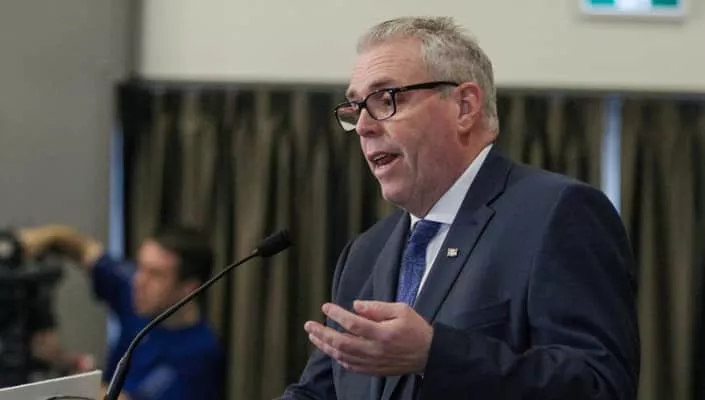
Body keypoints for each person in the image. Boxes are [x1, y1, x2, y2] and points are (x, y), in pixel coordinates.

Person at [280, 16, 640, 400]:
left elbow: (600, 385)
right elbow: (319, 393)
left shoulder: (557, 214)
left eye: (386, 99)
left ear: (464, 107)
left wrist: (434, 354)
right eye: (356, 108)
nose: (364, 127)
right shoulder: (366, 253)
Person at [18, 224, 225, 400]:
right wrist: (51, 236)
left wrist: (73, 381)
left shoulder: (198, 354)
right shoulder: (139, 295)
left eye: (155, 274)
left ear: (189, 288)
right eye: (140, 266)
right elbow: (85, 250)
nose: (139, 281)